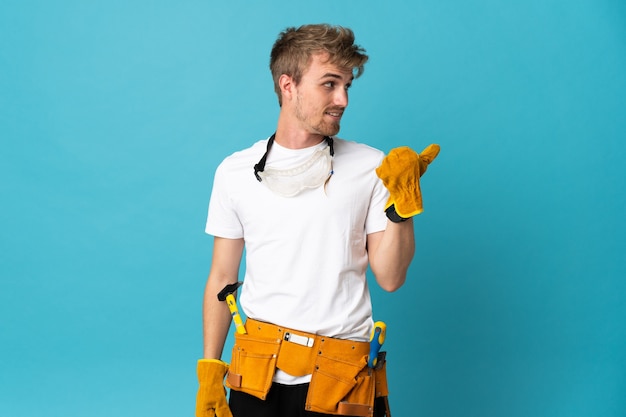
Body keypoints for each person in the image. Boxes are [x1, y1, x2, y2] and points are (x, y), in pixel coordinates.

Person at [195, 23, 440, 417]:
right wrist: (210, 370)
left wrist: (401, 208)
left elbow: (391, 278)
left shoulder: (372, 167)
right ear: (287, 85)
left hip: (341, 379)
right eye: (329, 83)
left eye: (347, 86)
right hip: (254, 374)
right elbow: (222, 277)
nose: (342, 98)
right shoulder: (234, 171)